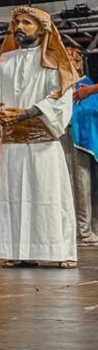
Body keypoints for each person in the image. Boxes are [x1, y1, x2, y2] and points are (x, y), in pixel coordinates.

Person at [0, 6, 78, 269]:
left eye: (27, 23)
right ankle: (19, 250)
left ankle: (61, 251)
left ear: (42, 29)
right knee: (14, 197)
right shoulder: (4, 61)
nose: (20, 27)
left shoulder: (54, 61)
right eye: (17, 23)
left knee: (49, 197)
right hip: (13, 144)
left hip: (42, 142)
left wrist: (27, 113)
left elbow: (60, 97)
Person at [66, 48, 98, 246]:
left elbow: (91, 109)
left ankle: (89, 230)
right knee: (75, 184)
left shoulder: (86, 84)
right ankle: (80, 231)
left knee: (87, 185)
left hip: (85, 139)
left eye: (72, 59)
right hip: (70, 137)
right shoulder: (61, 84)